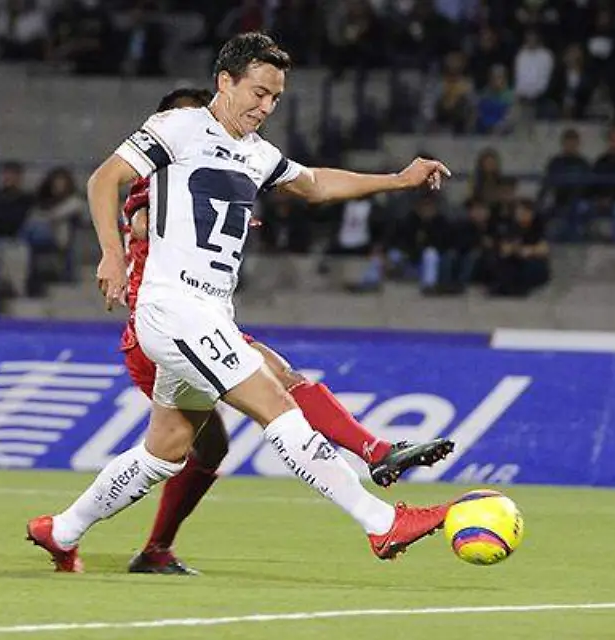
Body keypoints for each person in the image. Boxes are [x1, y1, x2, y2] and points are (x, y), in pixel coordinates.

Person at [26, 33, 455, 573]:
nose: (266, 106)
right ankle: (382, 521)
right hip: (174, 307)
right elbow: (104, 178)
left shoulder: (257, 153)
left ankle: (62, 530)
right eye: (258, 92)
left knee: (166, 450)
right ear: (224, 81)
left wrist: (398, 179)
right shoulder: (179, 127)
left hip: (209, 312)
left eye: (275, 98)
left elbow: (317, 184)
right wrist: (112, 253)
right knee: (277, 401)